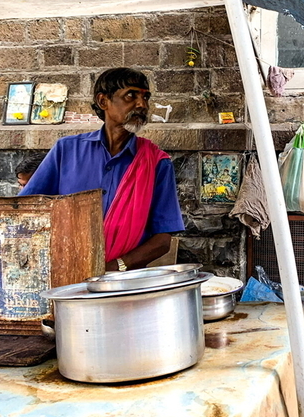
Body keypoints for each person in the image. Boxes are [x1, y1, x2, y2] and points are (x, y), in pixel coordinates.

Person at [20, 67, 184, 272]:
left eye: (145, 97)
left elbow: (162, 240)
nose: (142, 104)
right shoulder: (67, 150)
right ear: (103, 101)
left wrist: (113, 268)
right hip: (67, 274)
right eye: (131, 95)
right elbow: (27, 210)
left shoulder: (157, 163)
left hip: (125, 283)